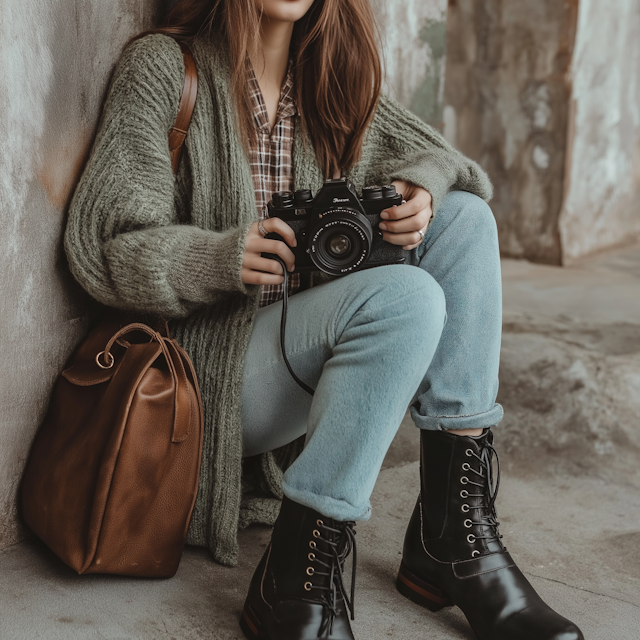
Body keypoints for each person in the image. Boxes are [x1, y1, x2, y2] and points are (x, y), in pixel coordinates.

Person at [64, 0, 584, 638]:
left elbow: (455, 168)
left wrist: (419, 193)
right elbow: (105, 245)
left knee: (465, 219)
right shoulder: (165, 68)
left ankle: (453, 536)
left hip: (287, 362)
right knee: (407, 299)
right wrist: (220, 257)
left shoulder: (325, 83)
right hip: (196, 388)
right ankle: (294, 575)